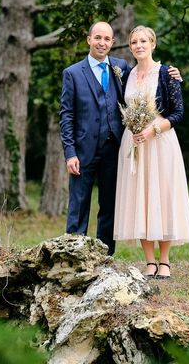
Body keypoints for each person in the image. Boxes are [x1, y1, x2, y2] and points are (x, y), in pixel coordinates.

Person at [59, 21, 180, 255]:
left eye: (107, 39)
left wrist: (173, 74)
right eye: (97, 38)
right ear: (89, 39)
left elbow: (148, 78)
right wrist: (70, 152)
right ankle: (74, 256)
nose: (102, 43)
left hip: (115, 149)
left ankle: (105, 257)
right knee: (79, 204)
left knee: (109, 206)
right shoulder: (72, 73)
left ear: (112, 42)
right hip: (83, 150)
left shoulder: (122, 68)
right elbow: (66, 115)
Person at [113, 25, 189, 277]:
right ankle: (149, 261)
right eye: (134, 42)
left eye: (143, 41)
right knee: (140, 199)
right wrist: (137, 131)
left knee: (162, 197)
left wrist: (153, 130)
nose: (139, 46)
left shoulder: (167, 73)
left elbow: (178, 113)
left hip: (160, 141)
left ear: (153, 44)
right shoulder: (126, 74)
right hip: (133, 143)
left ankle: (165, 261)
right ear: (130, 47)